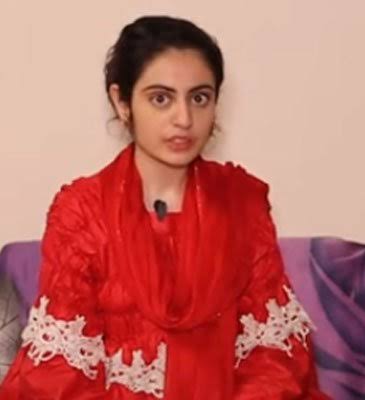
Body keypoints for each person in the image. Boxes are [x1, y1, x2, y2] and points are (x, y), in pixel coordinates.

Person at [0, 15, 327, 399]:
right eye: (161, 98)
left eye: (199, 98)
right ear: (122, 102)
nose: (184, 119)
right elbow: (63, 373)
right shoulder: (82, 212)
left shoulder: (243, 202)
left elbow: (273, 354)